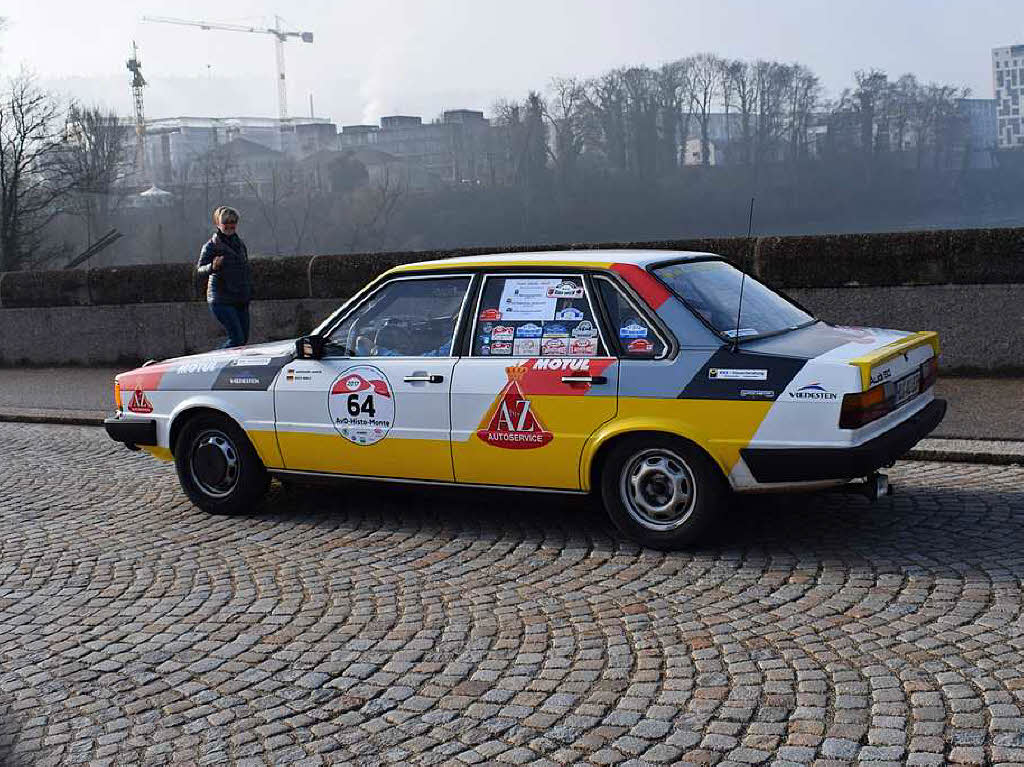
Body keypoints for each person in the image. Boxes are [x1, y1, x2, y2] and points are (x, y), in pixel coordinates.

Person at [196, 206, 254, 348]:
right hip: (221, 298)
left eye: (232, 222)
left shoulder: (240, 244)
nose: (229, 226)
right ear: (218, 224)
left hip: (240, 298)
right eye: (225, 222)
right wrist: (213, 267)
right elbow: (199, 270)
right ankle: (213, 361)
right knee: (236, 339)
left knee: (243, 340)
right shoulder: (211, 246)